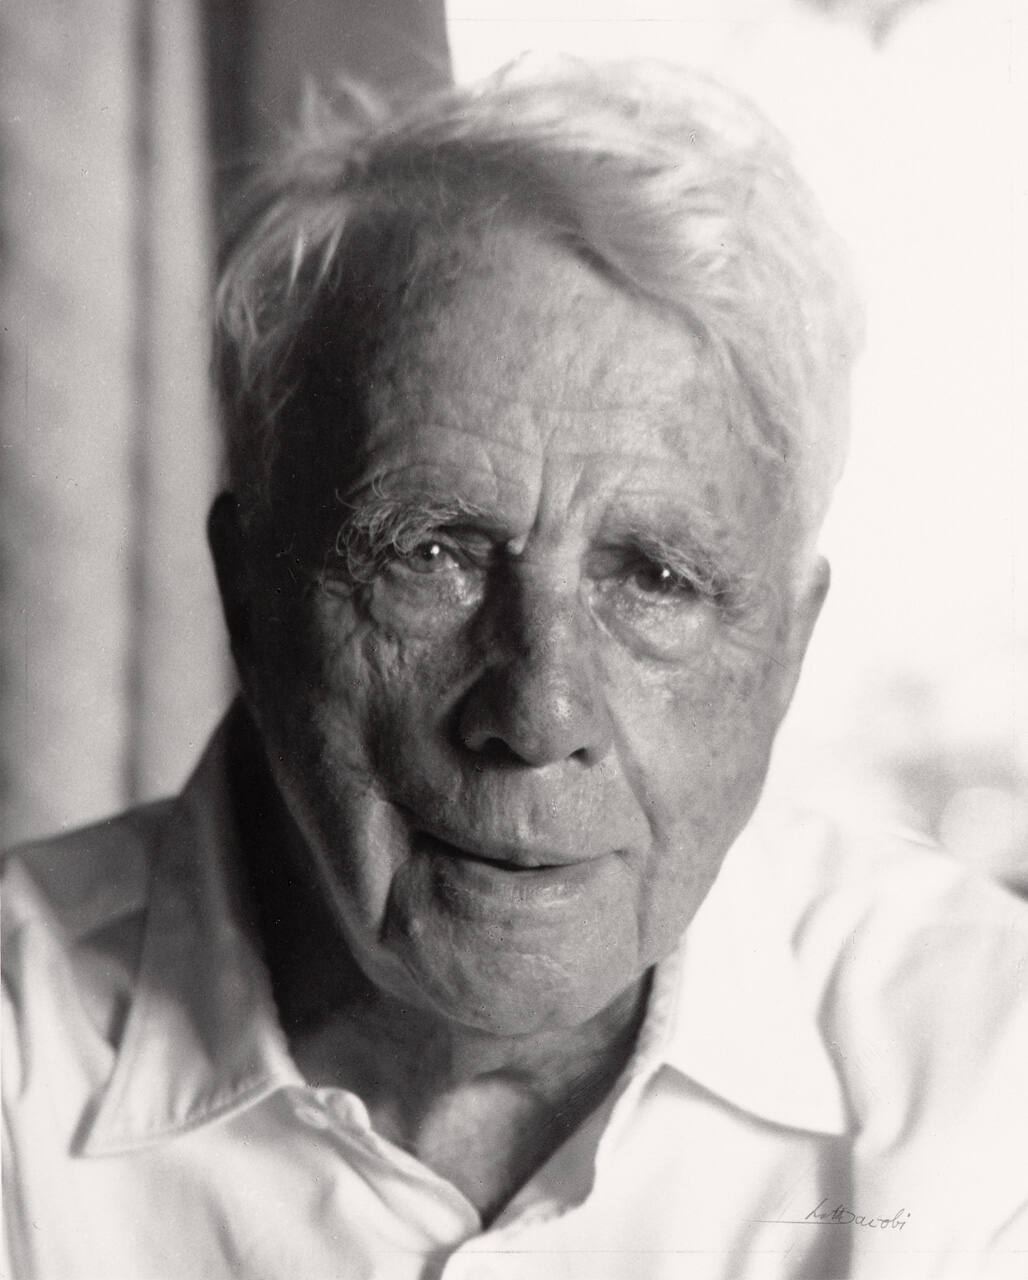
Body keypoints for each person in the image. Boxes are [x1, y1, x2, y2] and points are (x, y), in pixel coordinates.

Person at [3, 57, 1026, 1280]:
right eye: (430, 551)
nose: (537, 711)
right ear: (247, 590)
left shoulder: (987, 1076)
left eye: (654, 579)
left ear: (788, 649)